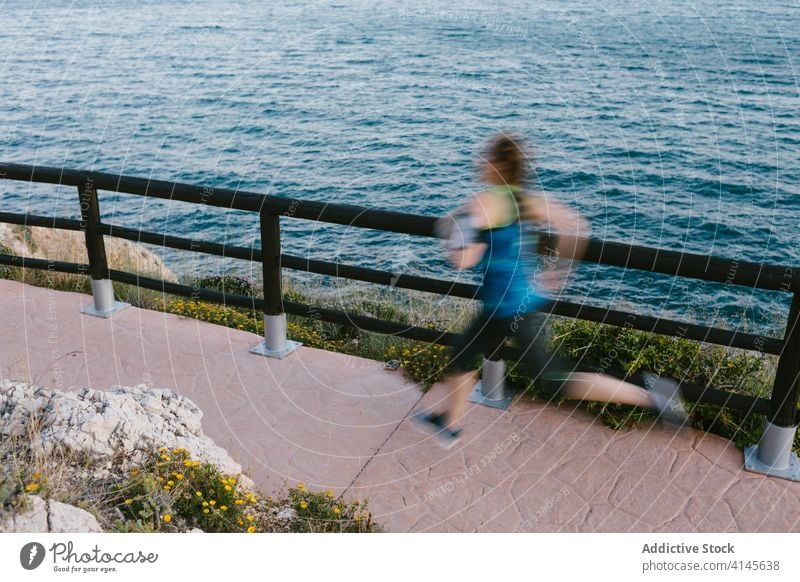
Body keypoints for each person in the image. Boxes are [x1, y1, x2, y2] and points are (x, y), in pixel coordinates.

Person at [414, 132, 686, 449]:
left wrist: (455, 241)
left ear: (498, 165)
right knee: (462, 355)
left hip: (508, 309)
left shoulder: (485, 203)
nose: (480, 161)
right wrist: (559, 273)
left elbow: (462, 259)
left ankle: (653, 396)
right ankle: (449, 422)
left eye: (487, 157)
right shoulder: (524, 200)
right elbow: (577, 225)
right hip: (513, 302)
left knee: (555, 380)